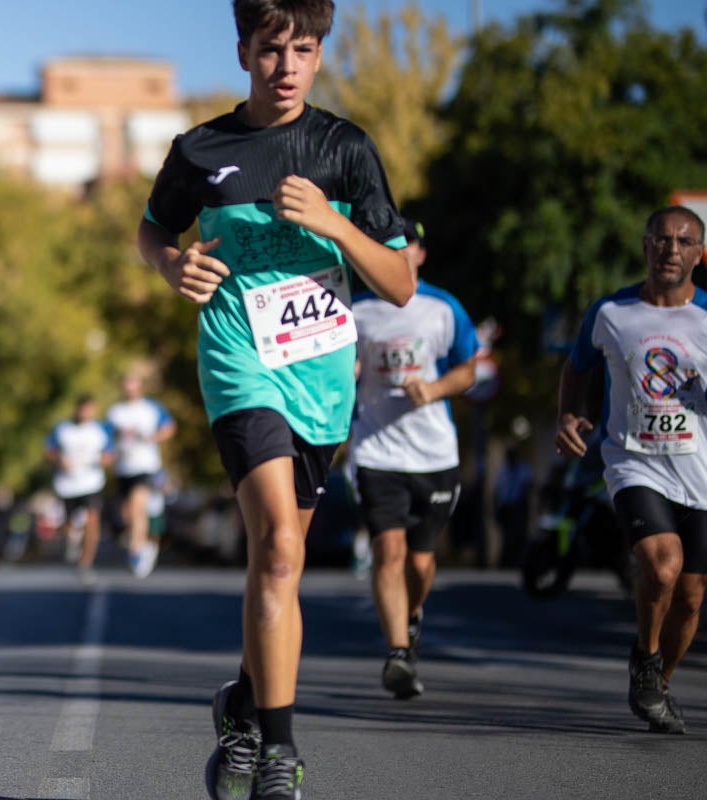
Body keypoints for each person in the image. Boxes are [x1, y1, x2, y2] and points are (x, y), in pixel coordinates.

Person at [136, 2, 415, 797]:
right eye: (269, 50)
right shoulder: (202, 149)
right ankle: (280, 753)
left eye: (302, 49)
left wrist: (336, 224)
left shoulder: (345, 149)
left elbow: (399, 283)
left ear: (319, 55)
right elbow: (153, 229)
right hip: (239, 363)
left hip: (321, 381)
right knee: (281, 550)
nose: (285, 66)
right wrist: (170, 266)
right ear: (242, 52)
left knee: (277, 568)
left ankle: (245, 705)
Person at [555, 204, 707, 735]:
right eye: (661, 239)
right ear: (645, 246)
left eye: (683, 242)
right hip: (633, 462)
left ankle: (655, 680)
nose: (671, 250)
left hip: (699, 471)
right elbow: (577, 368)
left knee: (691, 595)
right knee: (662, 566)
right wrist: (568, 416)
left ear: (699, 253)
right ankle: (646, 652)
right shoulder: (611, 312)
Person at [348, 218, 479, 700]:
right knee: (389, 549)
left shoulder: (442, 308)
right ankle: (398, 653)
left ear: (421, 253)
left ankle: (412, 614)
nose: (397, 252)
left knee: (421, 562)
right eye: (385, 245)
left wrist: (435, 388)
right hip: (376, 449)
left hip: (433, 452)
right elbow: (338, 365)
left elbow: (469, 369)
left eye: (406, 245)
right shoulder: (355, 309)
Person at [106, 371, 177, 578]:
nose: (130, 389)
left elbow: (169, 427)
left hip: (146, 466)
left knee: (138, 506)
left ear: (140, 387)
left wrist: (153, 437)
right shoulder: (115, 412)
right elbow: (107, 437)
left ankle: (136, 552)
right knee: (127, 513)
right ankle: (143, 545)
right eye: (126, 385)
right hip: (123, 467)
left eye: (133, 384)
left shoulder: (151, 408)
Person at [45, 395, 114, 583]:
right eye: (83, 409)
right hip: (67, 485)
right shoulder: (63, 428)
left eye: (90, 410)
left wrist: (103, 460)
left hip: (92, 483)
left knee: (92, 520)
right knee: (70, 525)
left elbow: (109, 455)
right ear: (77, 409)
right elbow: (49, 450)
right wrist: (60, 460)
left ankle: (86, 563)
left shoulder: (101, 429)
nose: (86, 413)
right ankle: (72, 539)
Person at [493, 443, 534, 568]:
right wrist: (495, 508)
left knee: (519, 534)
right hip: (505, 507)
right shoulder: (502, 471)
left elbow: (529, 485)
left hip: (518, 506)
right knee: (507, 535)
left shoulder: (523, 469)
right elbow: (497, 491)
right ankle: (507, 562)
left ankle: (519, 560)